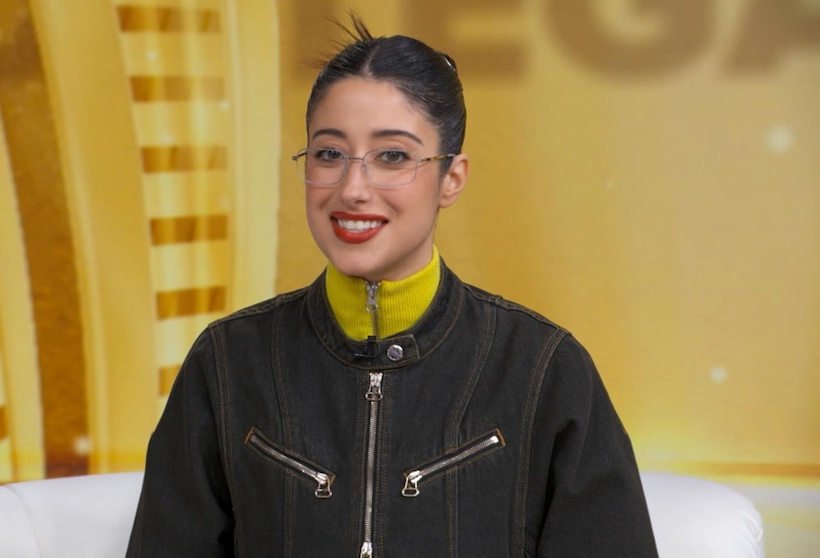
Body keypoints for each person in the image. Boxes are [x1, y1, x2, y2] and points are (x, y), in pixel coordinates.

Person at [127, 14, 658, 558]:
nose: (353, 189)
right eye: (329, 154)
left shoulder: (544, 369)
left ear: (451, 178)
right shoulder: (226, 363)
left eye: (393, 156)